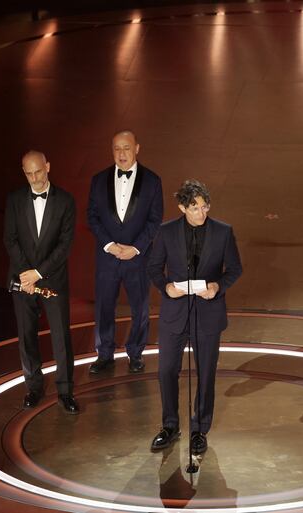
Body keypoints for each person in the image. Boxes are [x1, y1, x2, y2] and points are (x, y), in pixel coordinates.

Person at [147, 180, 242, 455]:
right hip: (175, 313)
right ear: (182, 208)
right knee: (166, 371)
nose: (201, 213)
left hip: (208, 314)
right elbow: (154, 267)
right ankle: (170, 425)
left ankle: (199, 429)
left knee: (206, 373)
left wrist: (217, 287)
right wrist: (166, 287)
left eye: (204, 207)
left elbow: (234, 269)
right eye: (195, 208)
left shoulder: (223, 232)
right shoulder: (166, 232)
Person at [3, 150, 79, 414]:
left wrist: (38, 273)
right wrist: (26, 274)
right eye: (29, 173)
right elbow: (10, 240)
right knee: (26, 337)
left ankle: (65, 391)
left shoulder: (66, 201)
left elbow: (64, 246)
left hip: (52, 280)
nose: (35, 178)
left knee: (60, 336)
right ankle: (33, 388)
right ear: (24, 172)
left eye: (39, 171)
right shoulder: (13, 199)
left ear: (48, 166)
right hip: (23, 282)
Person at [87, 130, 163, 374]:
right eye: (117, 149)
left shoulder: (152, 181)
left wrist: (136, 248)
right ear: (112, 150)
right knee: (104, 307)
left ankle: (135, 353)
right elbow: (93, 217)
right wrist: (109, 245)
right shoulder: (98, 180)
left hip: (137, 258)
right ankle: (105, 354)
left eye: (126, 148)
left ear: (137, 148)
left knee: (139, 307)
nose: (122, 153)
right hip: (108, 256)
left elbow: (154, 220)